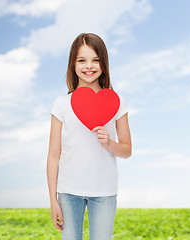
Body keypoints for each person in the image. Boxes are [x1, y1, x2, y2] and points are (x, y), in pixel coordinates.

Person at [47, 32, 132, 240]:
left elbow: (127, 150)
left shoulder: (117, 101)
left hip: (104, 190)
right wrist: (53, 200)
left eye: (96, 60)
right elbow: (53, 155)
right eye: (82, 60)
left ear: (103, 64)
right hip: (68, 191)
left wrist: (109, 142)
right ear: (73, 65)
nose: (89, 66)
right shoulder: (61, 104)